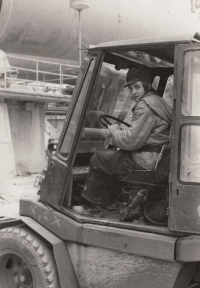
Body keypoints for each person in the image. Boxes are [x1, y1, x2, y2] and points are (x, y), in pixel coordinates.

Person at [73, 68, 172, 216]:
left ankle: (90, 208)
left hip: (145, 160)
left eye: (137, 87)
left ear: (147, 85)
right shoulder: (158, 101)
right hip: (156, 159)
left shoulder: (145, 105)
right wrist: (122, 132)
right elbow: (140, 133)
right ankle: (109, 201)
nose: (133, 92)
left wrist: (114, 131)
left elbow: (130, 142)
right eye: (131, 88)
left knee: (99, 158)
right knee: (114, 158)